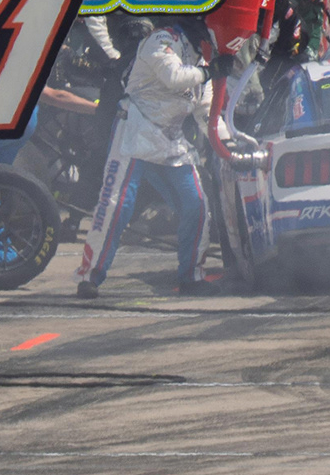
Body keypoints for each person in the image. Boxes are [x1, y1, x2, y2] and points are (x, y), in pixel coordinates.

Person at [75, 18, 229, 295]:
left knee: (197, 204)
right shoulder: (161, 39)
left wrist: (228, 146)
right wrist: (208, 73)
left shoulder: (204, 62)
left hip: (171, 138)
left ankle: (191, 277)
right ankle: (90, 277)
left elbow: (207, 115)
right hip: (135, 128)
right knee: (117, 204)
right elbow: (174, 77)